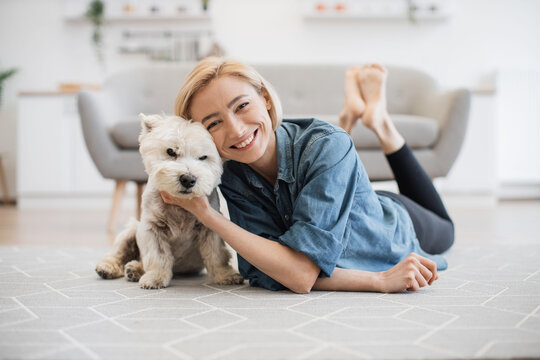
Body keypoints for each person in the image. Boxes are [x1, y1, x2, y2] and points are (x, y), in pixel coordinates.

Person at [161, 57, 454, 294]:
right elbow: (268, 272)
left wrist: (207, 215)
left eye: (242, 106)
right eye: (214, 123)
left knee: (447, 231)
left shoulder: (326, 145)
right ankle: (351, 119)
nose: (236, 130)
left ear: (265, 98)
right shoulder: (231, 170)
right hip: (335, 195)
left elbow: (298, 275)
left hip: (389, 219)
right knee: (334, 148)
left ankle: (380, 123)